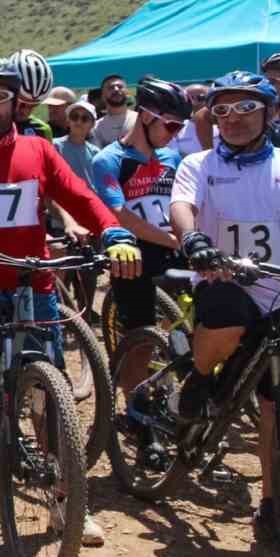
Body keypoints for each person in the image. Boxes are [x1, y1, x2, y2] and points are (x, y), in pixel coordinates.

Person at [0, 55, 140, 549]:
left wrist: (114, 230)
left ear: (16, 100)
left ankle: (67, 498)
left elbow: (80, 195)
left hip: (32, 282)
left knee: (49, 399)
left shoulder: (40, 150)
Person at [171, 71, 280, 539]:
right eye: (222, 110)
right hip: (226, 285)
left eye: (246, 108)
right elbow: (182, 206)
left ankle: (269, 503)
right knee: (225, 313)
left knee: (274, 408)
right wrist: (194, 238)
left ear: (267, 112)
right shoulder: (200, 164)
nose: (234, 119)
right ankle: (199, 377)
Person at [90, 78, 189, 417]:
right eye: (172, 125)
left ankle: (175, 399)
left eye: (181, 126)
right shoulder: (109, 159)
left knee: (182, 332)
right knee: (141, 341)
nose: (176, 133)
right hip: (133, 255)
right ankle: (136, 412)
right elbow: (119, 214)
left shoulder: (172, 158)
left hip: (172, 251)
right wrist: (170, 239)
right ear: (145, 117)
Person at [53, 99, 100, 188]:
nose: (79, 122)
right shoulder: (54, 146)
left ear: (93, 124)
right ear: (68, 121)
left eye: (84, 119)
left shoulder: (96, 152)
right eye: (74, 117)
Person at [93, 73, 138, 148]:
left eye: (120, 87)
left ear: (127, 93)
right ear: (103, 96)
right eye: (110, 88)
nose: (116, 89)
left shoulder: (140, 120)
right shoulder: (96, 127)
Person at [171, 83, 213, 157]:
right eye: (189, 99)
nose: (194, 103)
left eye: (200, 98)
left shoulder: (221, 125)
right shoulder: (175, 127)